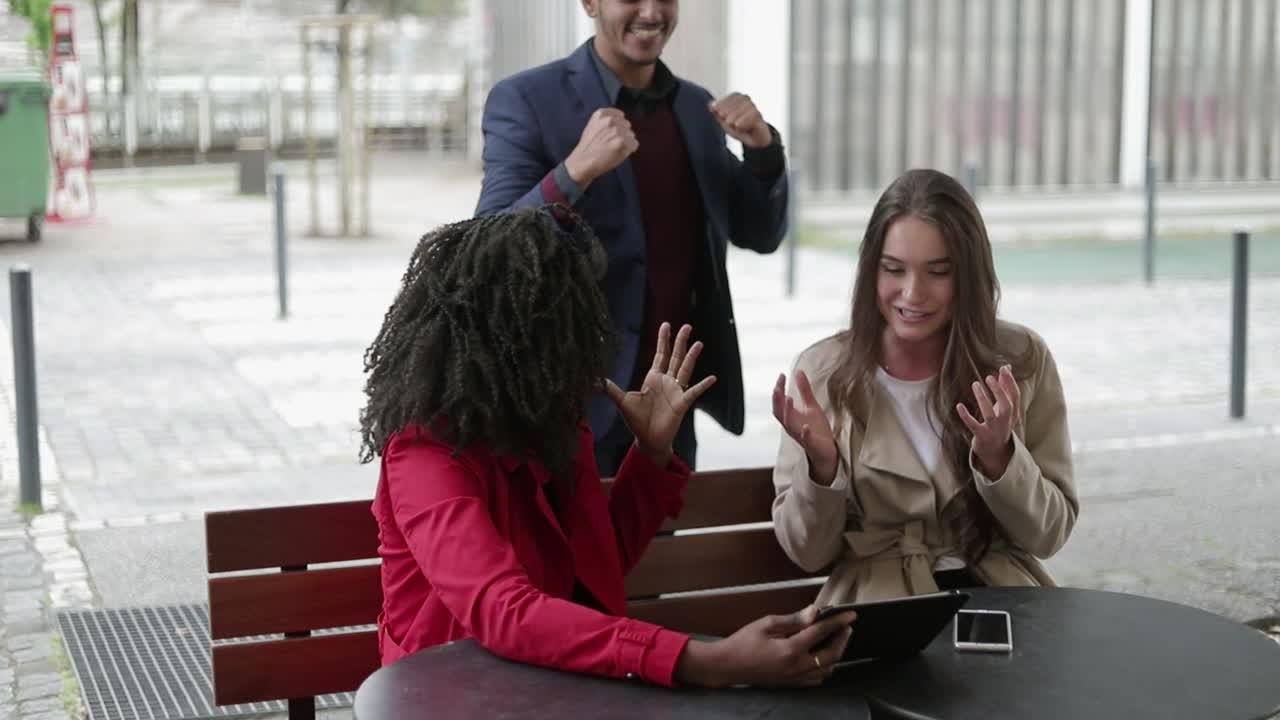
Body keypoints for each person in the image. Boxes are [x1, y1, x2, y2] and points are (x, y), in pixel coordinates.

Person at [359, 209, 853, 688]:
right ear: (503, 338)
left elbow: (595, 570)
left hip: (556, 686)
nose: (585, 346)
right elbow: (501, 610)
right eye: (562, 329)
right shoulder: (423, 453)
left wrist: (651, 455)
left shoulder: (550, 420)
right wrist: (709, 661)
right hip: (445, 698)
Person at [474, 0, 789, 477]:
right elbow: (484, 252)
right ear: (591, 3)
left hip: (667, 420)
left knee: (665, 554)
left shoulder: (694, 108)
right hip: (561, 415)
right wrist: (575, 173)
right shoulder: (526, 99)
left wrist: (763, 151)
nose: (651, 11)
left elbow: (760, 233)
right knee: (569, 555)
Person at [770, 169, 1078, 605]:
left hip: (1001, 600)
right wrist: (821, 468)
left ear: (968, 276)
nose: (913, 294)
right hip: (877, 610)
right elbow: (806, 553)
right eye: (893, 269)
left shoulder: (1021, 361)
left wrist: (1001, 458)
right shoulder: (821, 373)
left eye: (938, 272)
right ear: (870, 270)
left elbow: (1049, 534)